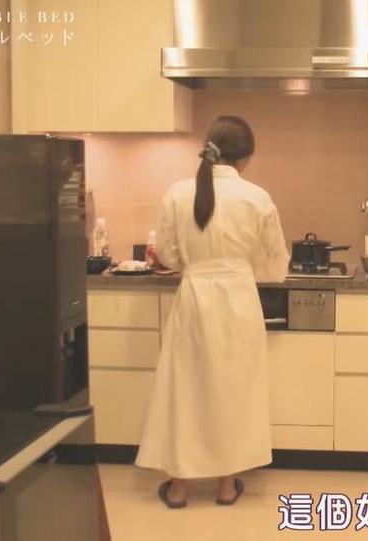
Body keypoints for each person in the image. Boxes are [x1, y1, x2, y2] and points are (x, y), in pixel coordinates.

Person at [135, 115, 290, 508]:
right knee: (233, 390)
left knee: (184, 389)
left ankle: (178, 487)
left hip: (194, 299)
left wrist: (194, 263)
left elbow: (169, 255)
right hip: (238, 300)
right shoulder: (257, 197)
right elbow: (275, 266)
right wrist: (240, 267)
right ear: (246, 157)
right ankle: (226, 486)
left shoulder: (177, 193)